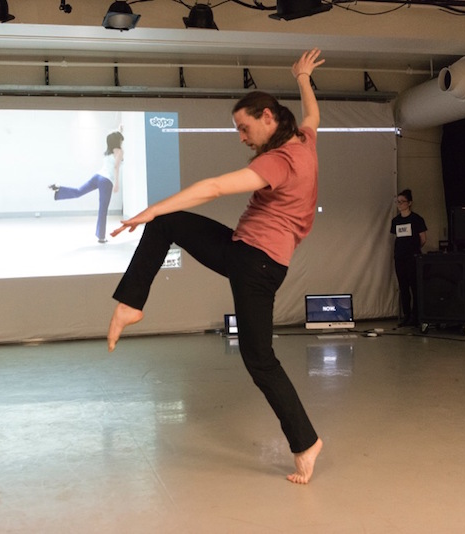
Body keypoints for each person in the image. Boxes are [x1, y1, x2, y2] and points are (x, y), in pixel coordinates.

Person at [106, 48, 326, 484]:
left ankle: (306, 443)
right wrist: (302, 78)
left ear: (267, 117)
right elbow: (314, 116)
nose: (242, 137)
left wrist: (150, 209)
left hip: (254, 264)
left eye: (244, 128)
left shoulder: (279, 161)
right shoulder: (302, 141)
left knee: (259, 360)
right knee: (169, 223)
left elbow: (213, 187)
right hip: (247, 254)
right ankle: (131, 304)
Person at [49, 130, 123, 243]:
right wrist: (117, 183)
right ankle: (101, 237)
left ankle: (59, 189)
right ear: (118, 141)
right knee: (103, 209)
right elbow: (116, 167)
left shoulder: (109, 151)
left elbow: (114, 139)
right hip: (107, 181)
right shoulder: (119, 151)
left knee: (78, 192)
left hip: (97, 176)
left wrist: (120, 129)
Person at [390, 189, 427, 326]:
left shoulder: (417, 219)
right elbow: (397, 238)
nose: (400, 204)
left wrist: (414, 249)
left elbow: (423, 239)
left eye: (402, 202)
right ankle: (407, 315)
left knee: (415, 286)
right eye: (398, 202)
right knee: (403, 287)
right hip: (400, 257)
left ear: (409, 203)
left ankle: (417, 315)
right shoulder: (396, 221)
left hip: (413, 257)